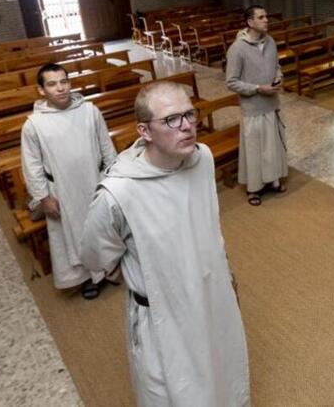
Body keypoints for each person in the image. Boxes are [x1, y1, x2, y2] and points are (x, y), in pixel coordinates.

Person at [80, 82, 250, 407]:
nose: (187, 126)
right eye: (171, 119)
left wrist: (226, 276)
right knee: (175, 389)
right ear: (144, 130)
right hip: (163, 313)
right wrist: (138, 275)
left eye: (189, 114)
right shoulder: (118, 193)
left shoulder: (203, 159)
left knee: (223, 371)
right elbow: (94, 254)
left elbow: (208, 224)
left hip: (211, 293)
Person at [21, 63, 117, 298]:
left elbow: (106, 146)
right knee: (73, 235)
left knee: (103, 227)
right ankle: (85, 278)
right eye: (52, 84)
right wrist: (43, 197)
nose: (60, 88)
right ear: (41, 90)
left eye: (64, 81)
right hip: (62, 191)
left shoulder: (90, 111)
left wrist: (114, 178)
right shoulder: (34, 124)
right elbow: (31, 165)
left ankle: (109, 268)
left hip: (95, 181)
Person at [225, 5, 288, 206]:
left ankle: (273, 180)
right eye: (261, 17)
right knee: (255, 150)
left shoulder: (270, 42)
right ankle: (254, 188)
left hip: (272, 104)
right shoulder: (237, 48)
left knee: (272, 148)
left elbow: (277, 67)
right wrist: (258, 88)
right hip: (253, 108)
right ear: (250, 22)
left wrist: (279, 78)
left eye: (266, 16)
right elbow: (231, 81)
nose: (266, 20)